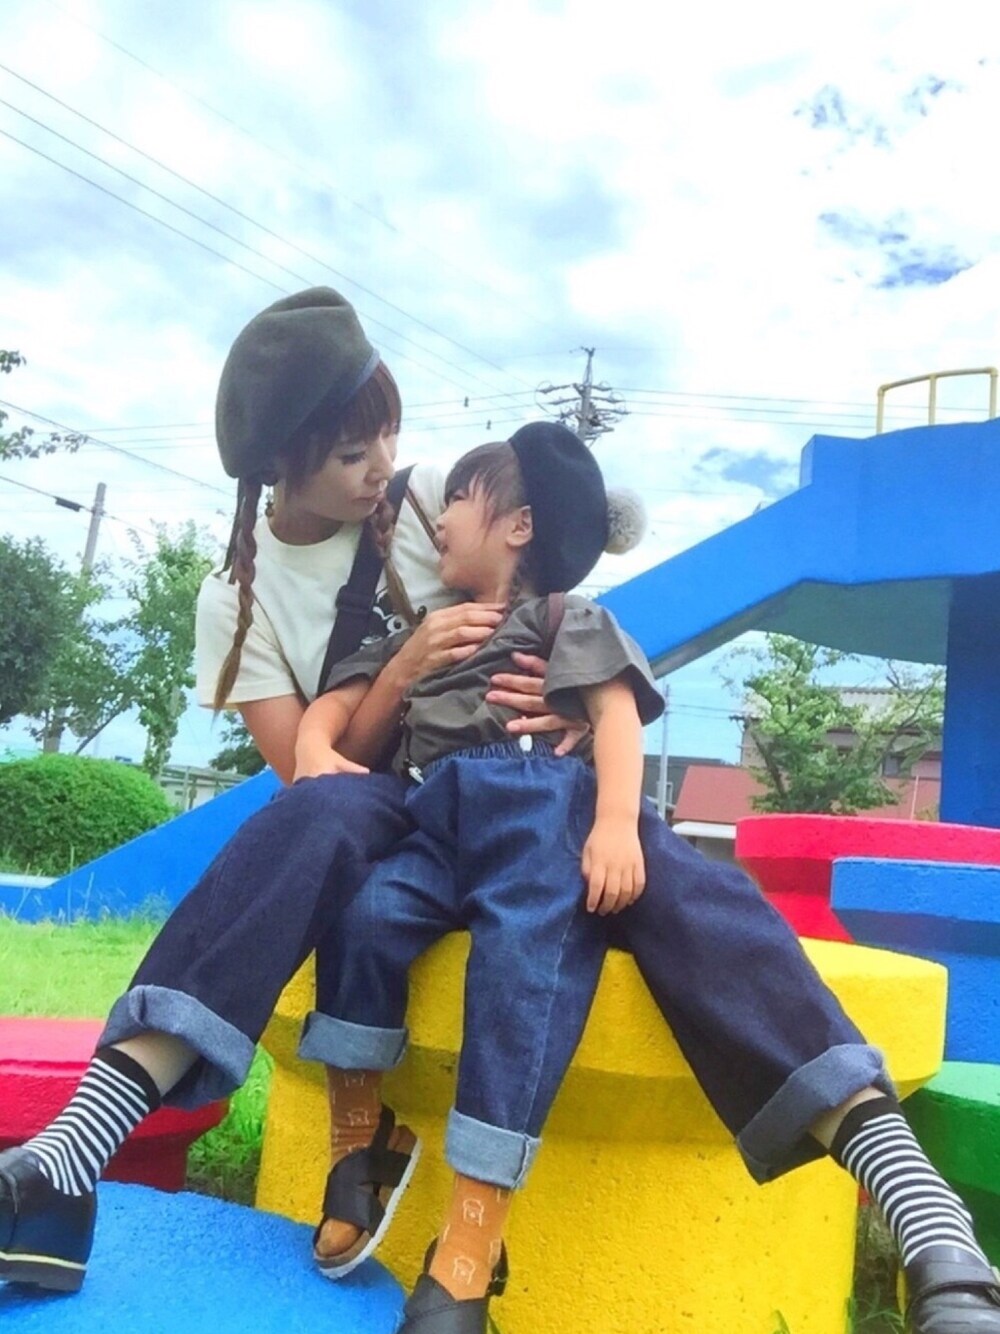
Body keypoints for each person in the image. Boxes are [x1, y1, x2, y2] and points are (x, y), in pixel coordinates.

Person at [2, 288, 998, 1334]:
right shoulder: (238, 600)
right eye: (354, 454)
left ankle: (925, 1218)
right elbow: (311, 767)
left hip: (535, 790)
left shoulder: (431, 501)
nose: (389, 471)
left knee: (674, 880)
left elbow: (549, 536)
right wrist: (404, 672)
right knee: (316, 818)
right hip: (391, 801)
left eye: (390, 437)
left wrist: (576, 712)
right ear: (285, 468)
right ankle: (74, 1151)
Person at [293, 424, 662, 1332]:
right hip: (437, 817)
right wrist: (324, 735)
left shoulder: (560, 619)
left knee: (521, 970)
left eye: (460, 497)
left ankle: (472, 1235)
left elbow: (615, 711)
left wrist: (616, 821)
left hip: (533, 812)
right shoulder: (421, 634)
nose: (441, 515)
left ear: (518, 526)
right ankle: (360, 1137)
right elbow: (343, 714)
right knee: (363, 913)